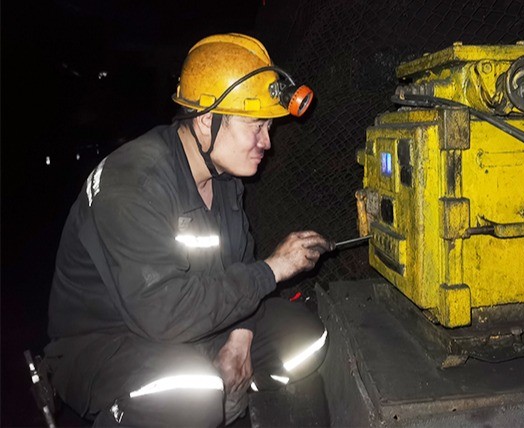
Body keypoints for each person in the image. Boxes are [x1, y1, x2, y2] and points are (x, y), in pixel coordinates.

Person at [43, 33, 333, 427]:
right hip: (106, 342)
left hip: (191, 326)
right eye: (256, 125)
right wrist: (273, 269)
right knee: (191, 392)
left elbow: (238, 265)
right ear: (206, 121)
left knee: (304, 339)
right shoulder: (133, 184)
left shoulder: (224, 178)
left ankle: (223, 403)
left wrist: (241, 337)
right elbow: (162, 314)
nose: (267, 142)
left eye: (269, 126)